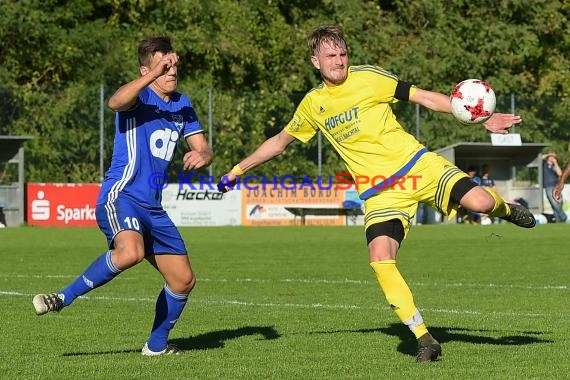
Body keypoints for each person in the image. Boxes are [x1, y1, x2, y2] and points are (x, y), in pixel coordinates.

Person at [217, 24, 535, 363]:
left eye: (342, 54)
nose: (338, 61)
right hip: (381, 193)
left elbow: (424, 97)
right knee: (379, 257)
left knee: (482, 203)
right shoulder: (312, 105)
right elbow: (280, 142)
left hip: (418, 167)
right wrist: (238, 170)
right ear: (315, 62)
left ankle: (507, 210)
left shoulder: (369, 77)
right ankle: (425, 338)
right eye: (330, 56)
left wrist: (475, 117)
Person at [32, 37, 213, 356]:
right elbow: (115, 102)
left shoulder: (183, 104)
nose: (172, 71)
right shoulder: (138, 96)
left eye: (174, 65)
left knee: (183, 280)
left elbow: (202, 146)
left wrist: (205, 155)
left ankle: (156, 347)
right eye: (164, 66)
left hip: (154, 208)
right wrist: (151, 74)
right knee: (130, 252)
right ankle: (62, 298)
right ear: (147, 69)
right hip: (122, 195)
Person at [543, 152, 567, 223]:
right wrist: (548, 154)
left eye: (553, 157)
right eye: (551, 157)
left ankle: (558, 221)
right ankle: (563, 217)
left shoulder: (554, 166)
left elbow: (560, 174)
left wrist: (555, 163)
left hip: (556, 186)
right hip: (548, 187)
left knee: (559, 203)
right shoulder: (544, 164)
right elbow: (539, 157)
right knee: (554, 203)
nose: (552, 158)